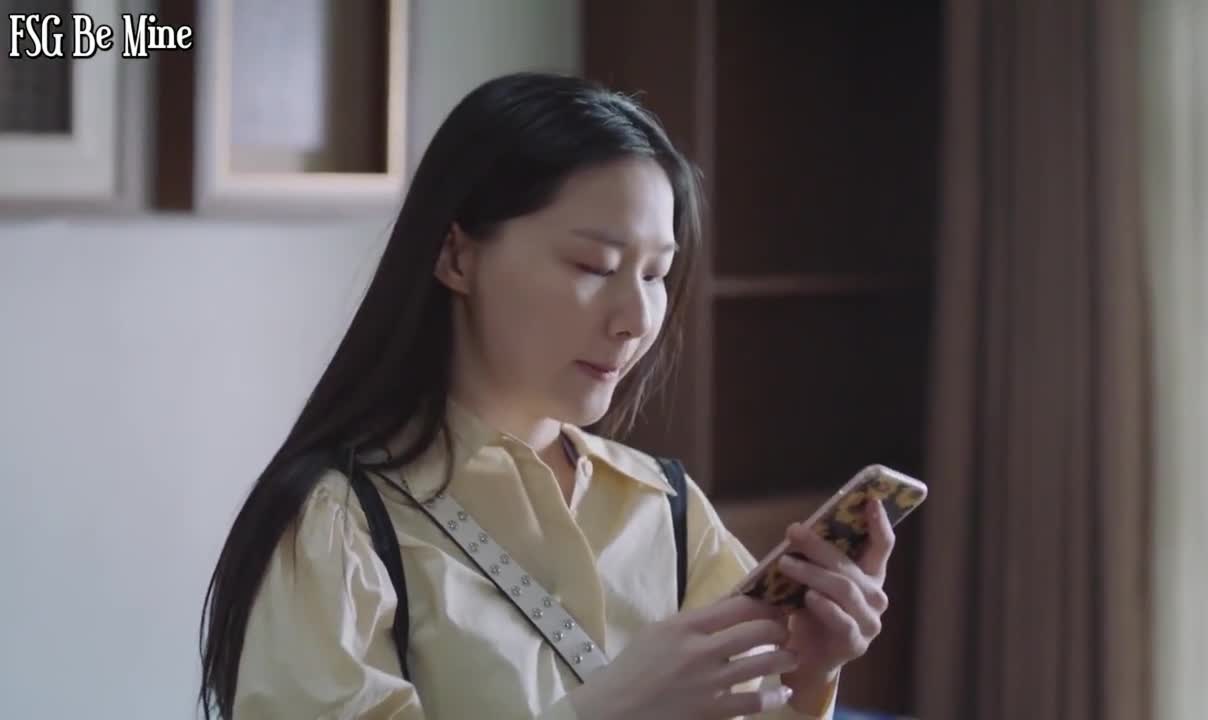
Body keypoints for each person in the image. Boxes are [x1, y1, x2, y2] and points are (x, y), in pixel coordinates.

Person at [198, 72, 896, 720]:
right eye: (594, 265)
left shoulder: (666, 509)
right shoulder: (339, 525)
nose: (636, 319)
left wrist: (808, 671)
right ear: (457, 256)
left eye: (655, 274)